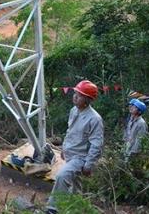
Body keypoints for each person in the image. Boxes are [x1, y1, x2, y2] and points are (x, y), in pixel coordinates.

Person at [46, 80, 104, 214]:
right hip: (70, 153)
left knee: (62, 176)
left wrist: (89, 164)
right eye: (75, 93)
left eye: (80, 95)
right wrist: (64, 149)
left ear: (88, 100)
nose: (75, 96)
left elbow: (96, 144)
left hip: (81, 157)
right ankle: (79, 207)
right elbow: (70, 131)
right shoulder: (74, 110)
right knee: (77, 185)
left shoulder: (94, 119)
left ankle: (52, 209)